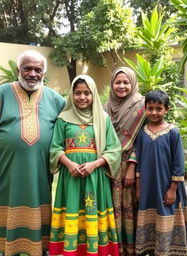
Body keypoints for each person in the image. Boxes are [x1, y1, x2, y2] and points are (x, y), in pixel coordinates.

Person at [0, 50, 65, 256]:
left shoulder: (55, 99)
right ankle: (8, 251)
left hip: (41, 172)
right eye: (27, 68)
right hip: (7, 171)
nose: (32, 74)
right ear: (19, 70)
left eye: (38, 69)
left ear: (43, 73)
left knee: (41, 210)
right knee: (8, 208)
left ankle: (41, 250)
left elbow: (73, 124)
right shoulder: (2, 93)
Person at [48, 74, 122, 256]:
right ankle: (71, 250)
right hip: (70, 178)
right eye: (78, 93)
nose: (82, 97)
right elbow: (55, 147)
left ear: (93, 94)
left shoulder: (102, 118)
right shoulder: (63, 118)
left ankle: (94, 250)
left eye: (87, 93)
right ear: (71, 95)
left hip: (95, 179)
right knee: (73, 210)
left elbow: (114, 149)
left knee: (92, 211)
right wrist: (69, 163)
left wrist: (95, 165)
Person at [135, 90, 187, 256]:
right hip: (148, 187)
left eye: (158, 108)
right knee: (150, 217)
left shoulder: (172, 132)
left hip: (167, 186)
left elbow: (178, 163)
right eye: (150, 108)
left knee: (166, 213)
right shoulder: (142, 133)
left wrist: (173, 188)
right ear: (145, 109)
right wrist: (139, 187)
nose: (154, 112)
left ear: (166, 109)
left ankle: (166, 251)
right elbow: (139, 161)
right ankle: (153, 250)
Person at [104, 67, 146, 256]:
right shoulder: (104, 108)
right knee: (110, 206)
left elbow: (143, 140)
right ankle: (113, 249)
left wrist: (132, 166)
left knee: (129, 207)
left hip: (130, 165)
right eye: (117, 82)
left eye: (126, 82)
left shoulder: (143, 106)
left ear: (133, 83)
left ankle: (132, 250)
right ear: (112, 84)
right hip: (106, 165)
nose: (121, 86)